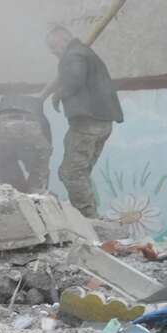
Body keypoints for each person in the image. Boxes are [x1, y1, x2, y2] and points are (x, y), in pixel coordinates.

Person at [41, 26, 123, 218]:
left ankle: (88, 219)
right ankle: (92, 215)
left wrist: (58, 93)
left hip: (88, 123)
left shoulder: (73, 55)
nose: (53, 52)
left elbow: (75, 79)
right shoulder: (84, 52)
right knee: (81, 172)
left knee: (71, 172)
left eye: (53, 47)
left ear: (63, 39)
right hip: (103, 122)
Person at [0, 95, 52, 193]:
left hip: (0, 123)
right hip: (33, 126)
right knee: (38, 168)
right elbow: (46, 140)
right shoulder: (38, 113)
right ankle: (37, 193)